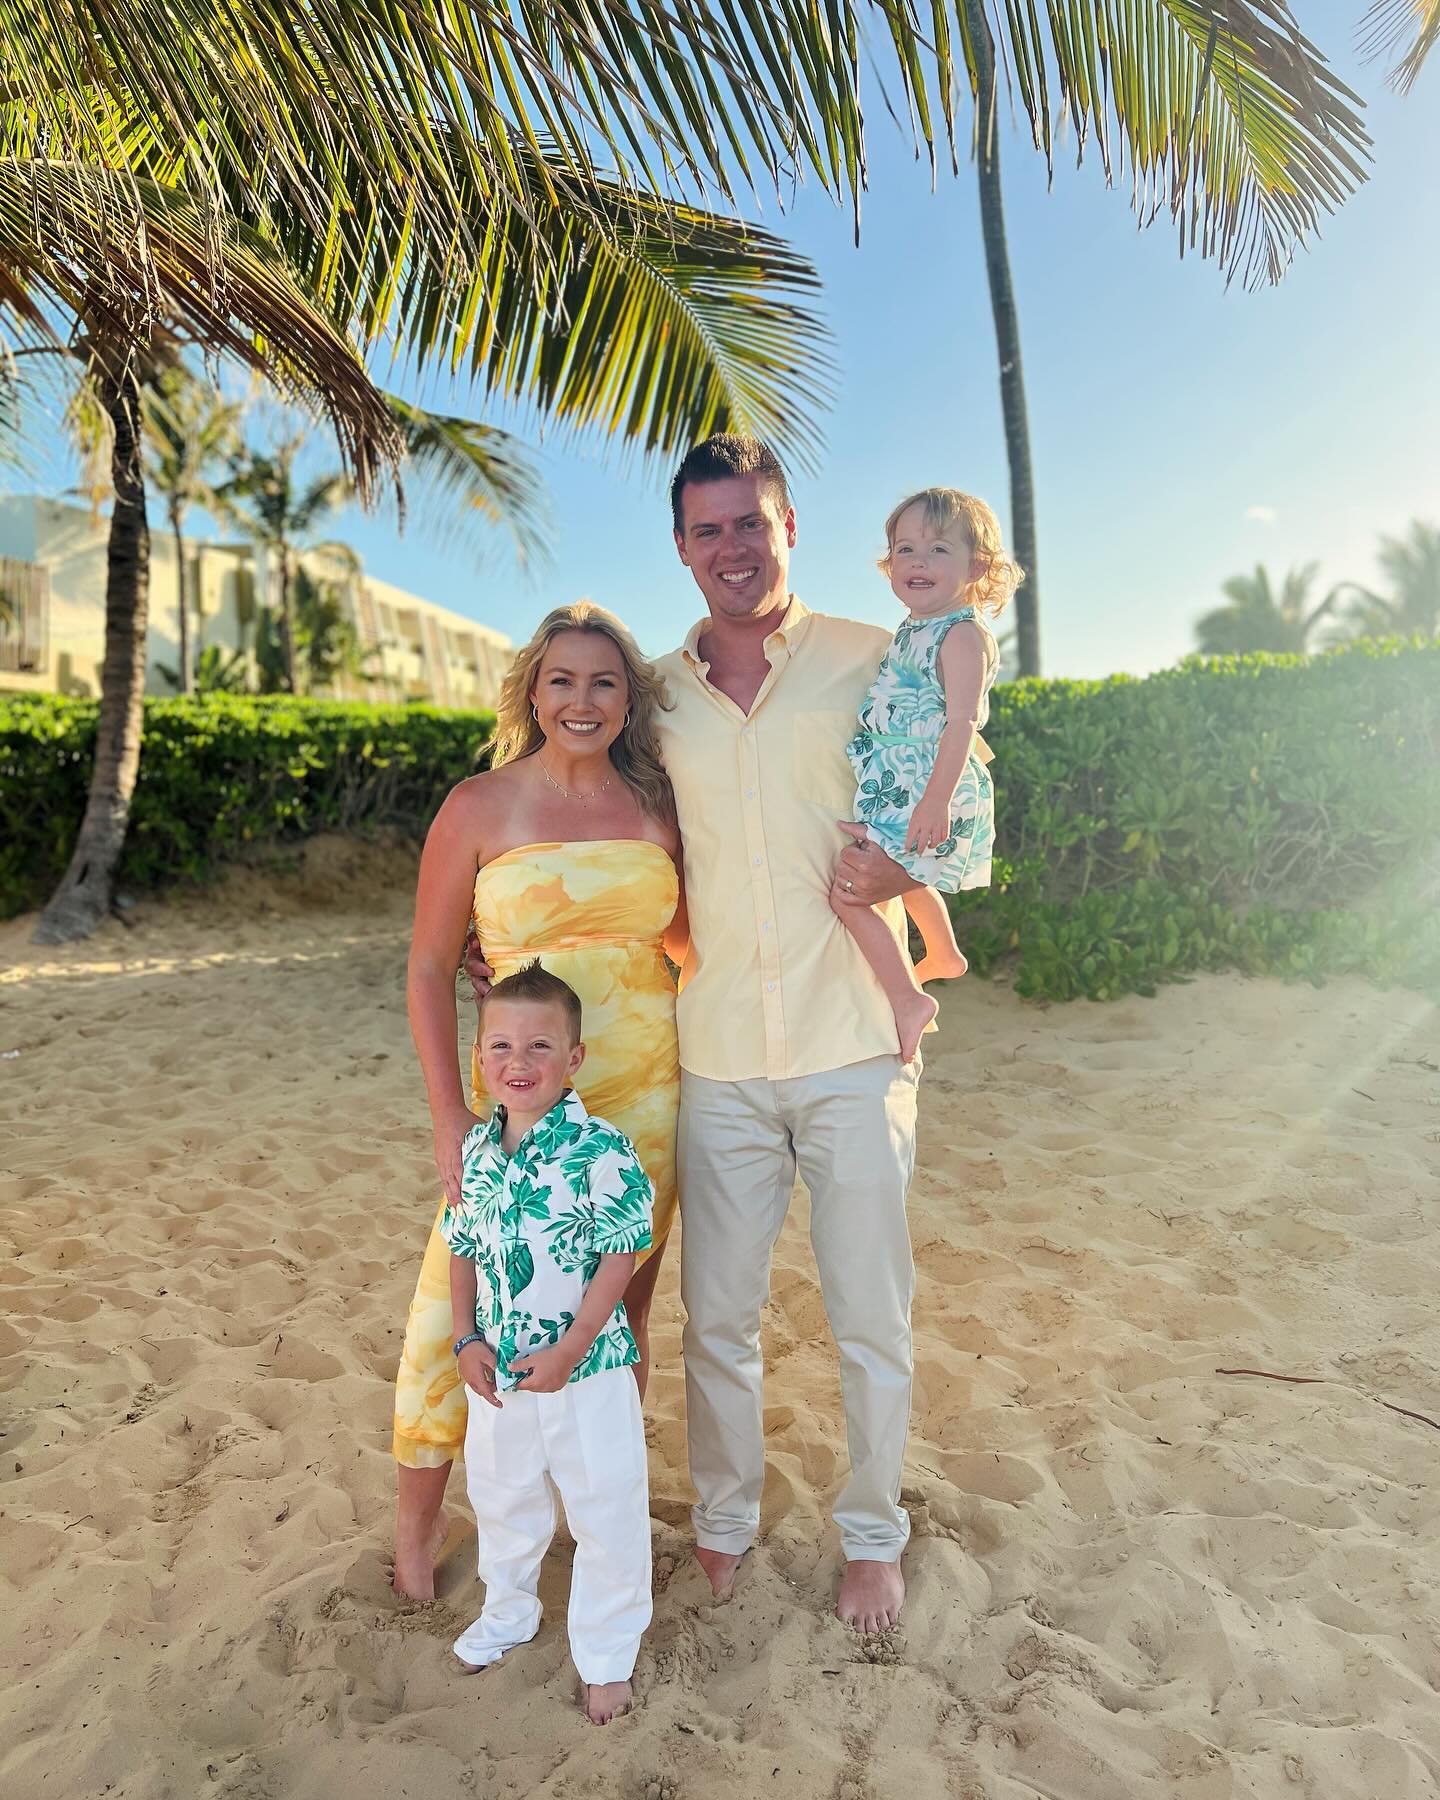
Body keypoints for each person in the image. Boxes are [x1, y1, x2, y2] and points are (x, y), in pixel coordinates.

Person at [655, 433, 932, 1633]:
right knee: (716, 1320)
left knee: (871, 1315)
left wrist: (910, 868)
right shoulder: (652, 696)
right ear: (682, 547)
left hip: (854, 1042)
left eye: (751, 524)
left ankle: (873, 1538)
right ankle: (724, 1523)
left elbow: (962, 789)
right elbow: (591, 824)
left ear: (790, 529)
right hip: (715, 1054)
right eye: (708, 529)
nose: (733, 548)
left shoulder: (875, 659)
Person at [393, 601, 686, 1603]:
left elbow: (687, 942)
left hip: (644, 1098)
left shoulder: (658, 808)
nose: (582, 700)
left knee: (613, 1315)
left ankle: (595, 1516)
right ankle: (417, 1527)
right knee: (457, 1305)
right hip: (512, 1102)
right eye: (562, 680)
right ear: (532, 690)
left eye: (604, 681)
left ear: (629, 699)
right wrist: (448, 1113)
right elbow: (427, 966)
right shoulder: (478, 805)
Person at [445, 960, 654, 1726]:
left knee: (606, 1509)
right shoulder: (477, 1152)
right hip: (499, 1370)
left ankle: (607, 1655)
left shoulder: (601, 1150)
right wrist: (464, 1337)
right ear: (479, 1058)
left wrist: (572, 1347)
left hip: (585, 1371)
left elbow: (620, 1254)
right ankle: (509, 1613)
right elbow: (462, 1249)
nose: (519, 1062)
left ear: (574, 1058)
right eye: (501, 1046)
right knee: (502, 1499)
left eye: (540, 1046)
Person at [832, 487, 1016, 1062]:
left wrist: (935, 802)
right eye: (905, 549)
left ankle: (909, 998)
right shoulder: (917, 626)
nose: (918, 561)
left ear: (977, 567)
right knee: (906, 875)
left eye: (938, 549)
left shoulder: (960, 633)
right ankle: (944, 952)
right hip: (903, 777)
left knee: (849, 896)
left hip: (924, 781)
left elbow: (962, 724)